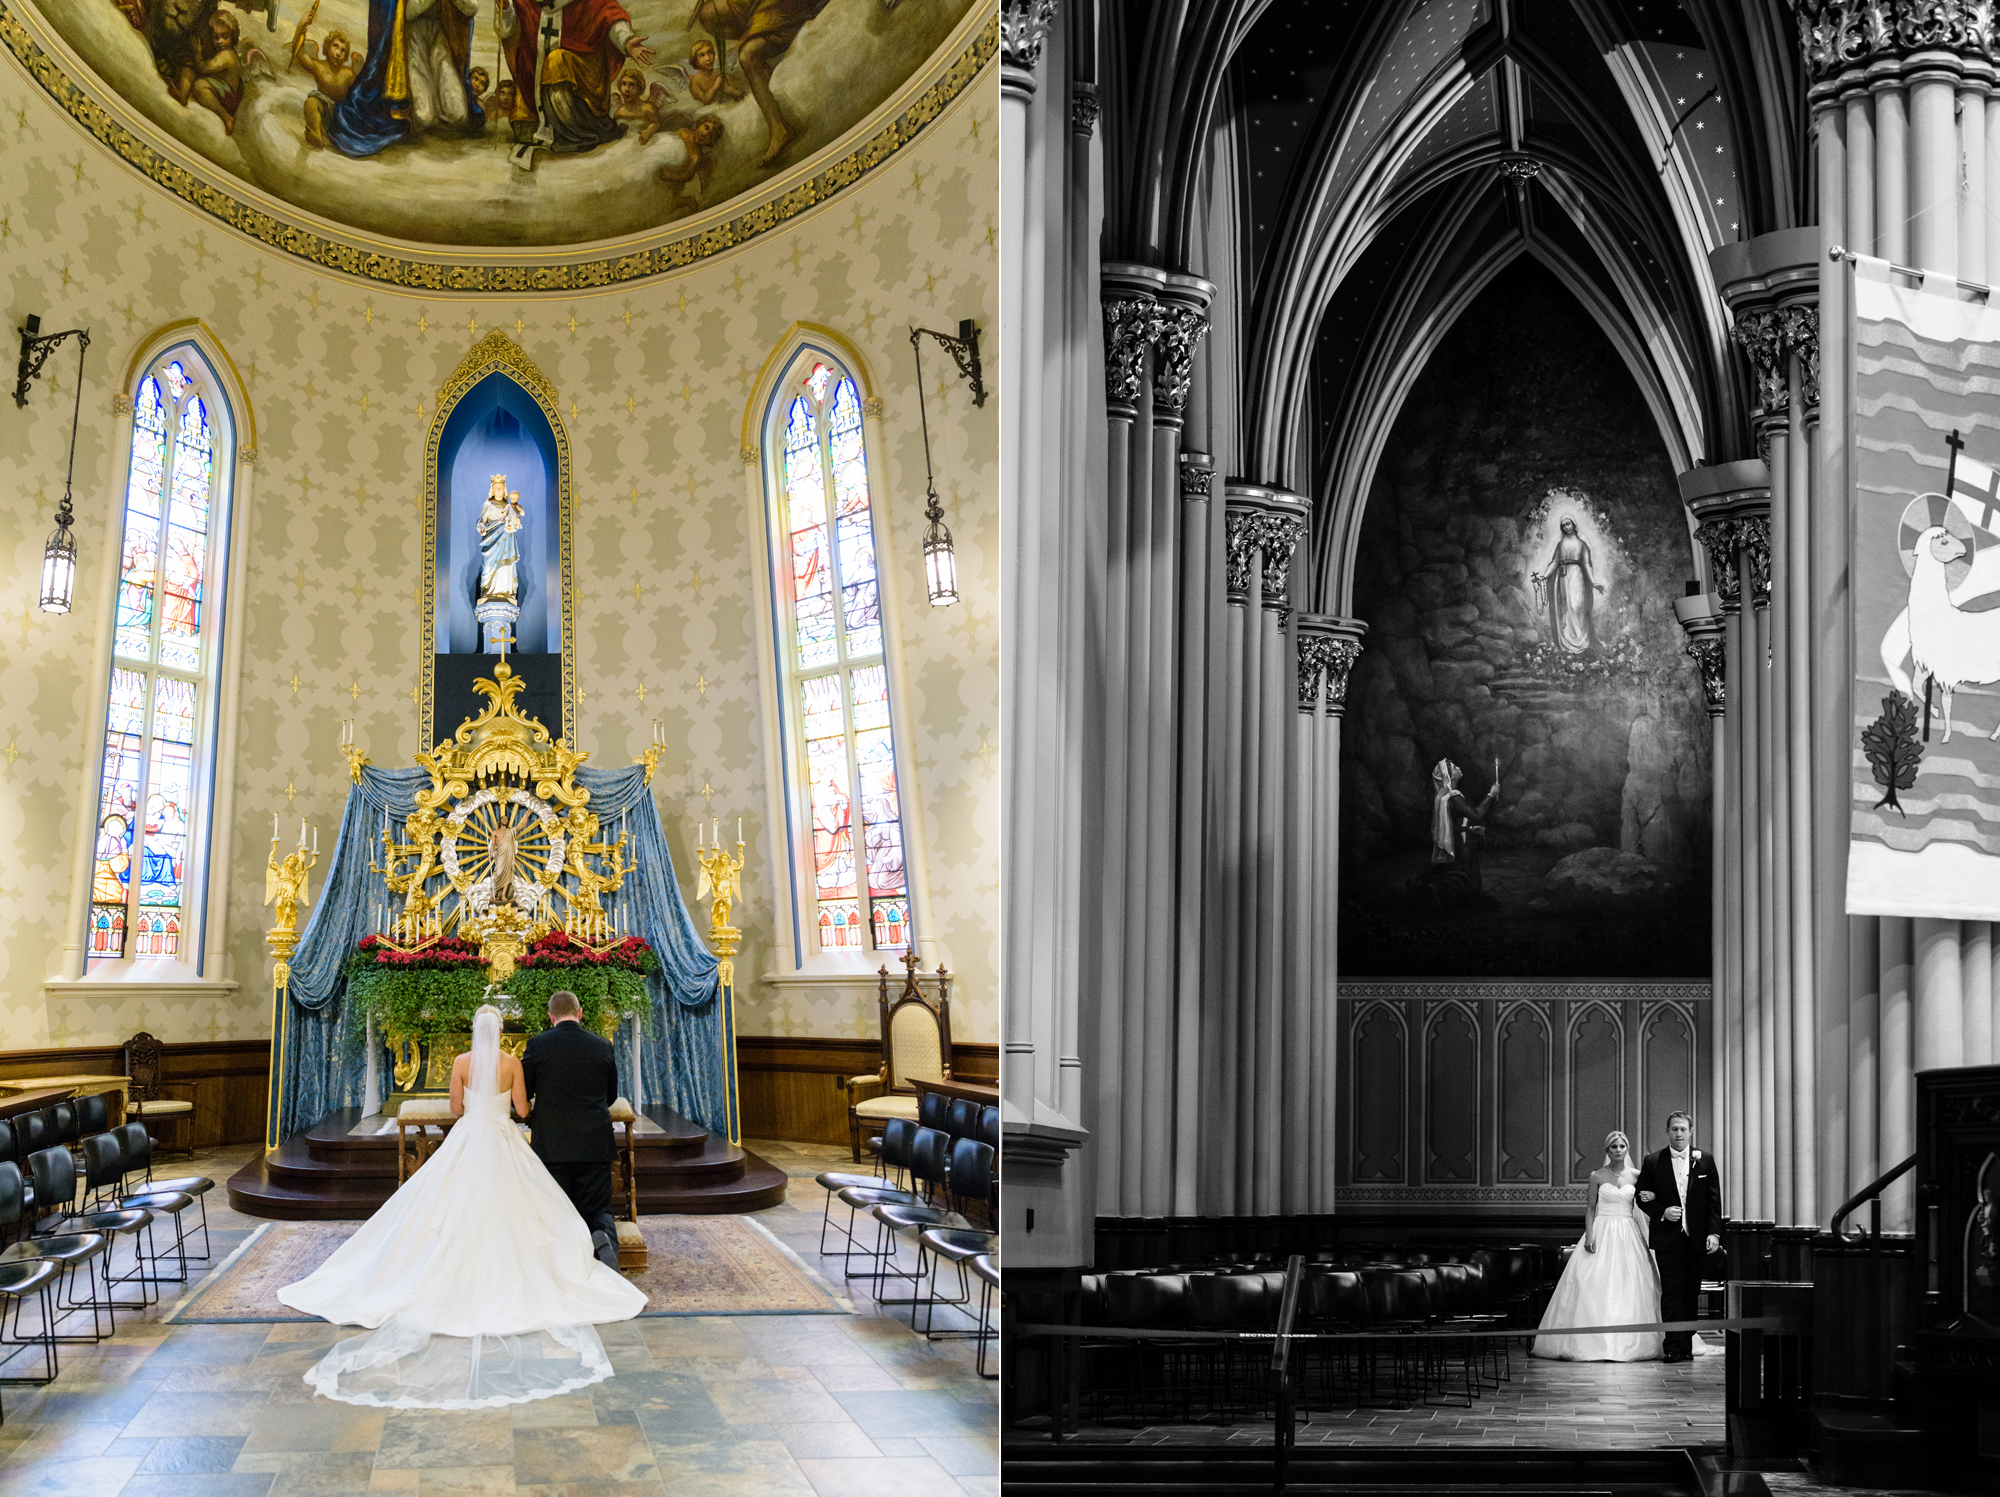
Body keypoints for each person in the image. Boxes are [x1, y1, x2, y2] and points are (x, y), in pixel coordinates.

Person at [277, 1004, 644, 1407]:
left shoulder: (462, 1061)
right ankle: (592, 1241)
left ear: (473, 1030)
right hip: (510, 1139)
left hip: (471, 1138)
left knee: (445, 1204)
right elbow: (523, 1110)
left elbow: (455, 1109)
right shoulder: (512, 1062)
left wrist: (477, 1106)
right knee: (538, 1205)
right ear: (501, 1029)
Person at [1531, 1130, 1662, 1362]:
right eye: (1614, 1147)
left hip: (1628, 1232)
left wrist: (1653, 1198)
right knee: (1591, 1282)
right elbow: (1590, 1209)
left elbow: (1645, 1202)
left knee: (1630, 1282)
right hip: (1601, 1229)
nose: (1618, 1150)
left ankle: (1632, 1342)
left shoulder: (1637, 1175)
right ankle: (1589, 1341)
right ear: (1607, 1150)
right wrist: (1590, 1235)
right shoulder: (1597, 1176)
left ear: (1627, 1148)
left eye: (1622, 1146)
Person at [523, 989, 623, 1272]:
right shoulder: (603, 1045)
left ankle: (565, 1267)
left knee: (556, 1208)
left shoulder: (537, 1045)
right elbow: (611, 1095)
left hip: (552, 1144)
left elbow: (525, 1093)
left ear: (550, 1016)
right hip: (594, 1142)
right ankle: (603, 1242)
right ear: (580, 1013)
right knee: (598, 1209)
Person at [325, 0, 485, 156]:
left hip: (438, 36)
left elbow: (471, 8)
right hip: (410, 38)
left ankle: (435, 109)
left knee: (459, 116)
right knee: (424, 117)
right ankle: (411, 110)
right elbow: (410, 12)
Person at [1636, 1109, 1723, 1362]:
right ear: (1667, 1131)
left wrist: (1714, 1234)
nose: (1678, 1133)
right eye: (1674, 1129)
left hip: (1696, 1238)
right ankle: (1673, 1346)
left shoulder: (1704, 1160)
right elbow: (1640, 1197)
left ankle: (1686, 1343)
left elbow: (1713, 1201)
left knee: (1690, 1292)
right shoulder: (1653, 1161)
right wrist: (1662, 1211)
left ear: (1691, 1132)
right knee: (1672, 1292)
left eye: (1683, 1129)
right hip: (1667, 1238)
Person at [1531, 516, 1606, 654]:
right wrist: (1544, 577)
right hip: (1563, 578)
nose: (1566, 527)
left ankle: (1582, 642)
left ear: (1573, 524)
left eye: (1568, 524)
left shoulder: (1581, 544)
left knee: (1577, 606)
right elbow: (1554, 562)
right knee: (1565, 608)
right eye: (1563, 525)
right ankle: (1568, 644)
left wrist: (1594, 582)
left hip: (1577, 576)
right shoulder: (1561, 544)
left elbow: (1587, 564)